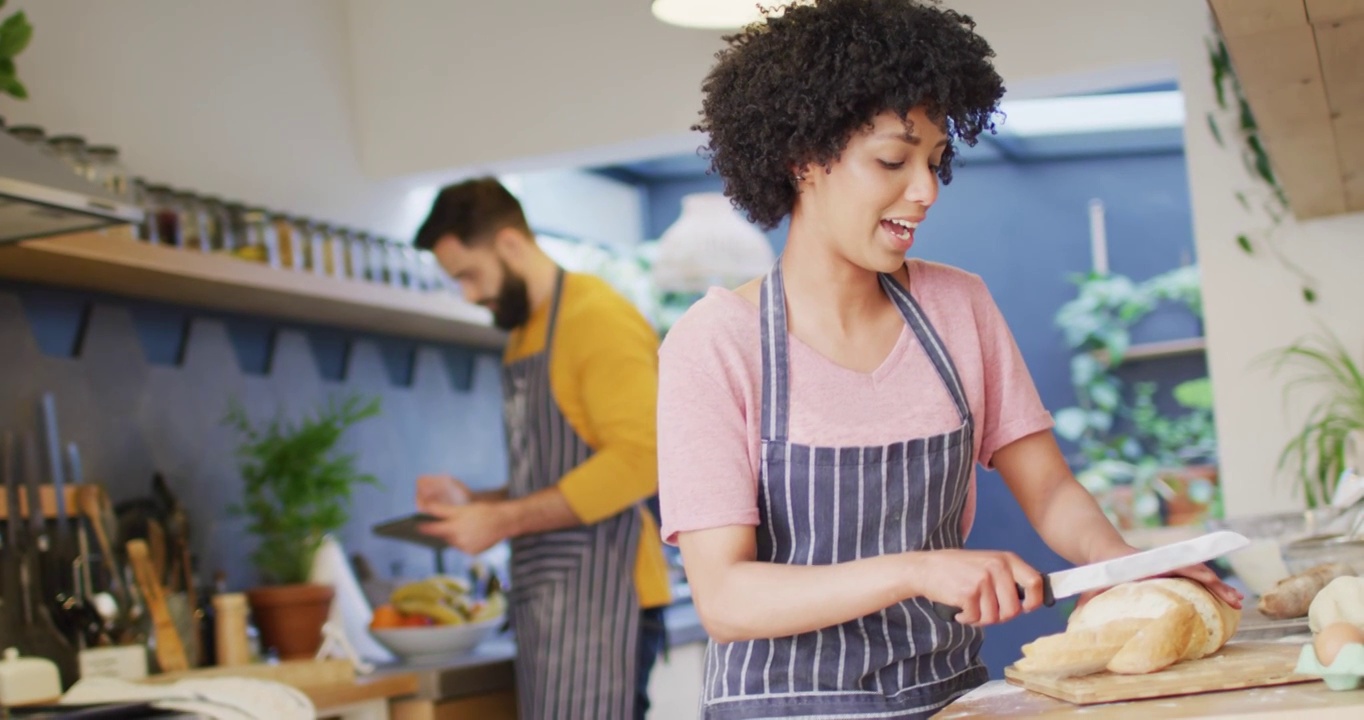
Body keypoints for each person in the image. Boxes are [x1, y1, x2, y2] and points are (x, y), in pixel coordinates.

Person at [655, 1, 1243, 718]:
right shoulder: (715, 344)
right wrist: (918, 570)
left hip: (949, 700)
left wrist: (1123, 566)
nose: (925, 190)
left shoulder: (958, 307)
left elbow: (1051, 492)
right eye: (893, 160)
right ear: (801, 158)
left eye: (934, 161)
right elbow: (725, 598)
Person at [412, 177, 671, 720]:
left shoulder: (595, 318)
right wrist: (479, 501)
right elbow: (557, 469)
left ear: (509, 244)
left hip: (610, 601)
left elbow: (643, 459)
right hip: (553, 606)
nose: (470, 294)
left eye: (469, 275)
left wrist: (502, 521)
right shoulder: (524, 335)